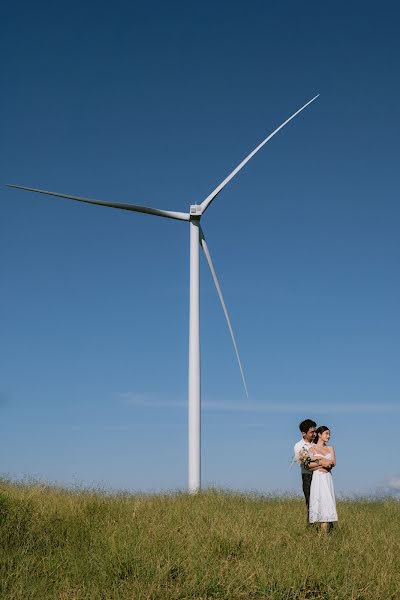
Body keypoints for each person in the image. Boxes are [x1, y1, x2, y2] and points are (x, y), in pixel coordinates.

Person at [294, 419, 331, 521]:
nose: (314, 434)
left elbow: (329, 460)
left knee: (325, 503)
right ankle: (312, 530)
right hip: (308, 477)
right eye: (311, 432)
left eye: (315, 431)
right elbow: (306, 465)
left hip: (321, 476)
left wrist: (323, 463)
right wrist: (322, 463)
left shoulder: (318, 444)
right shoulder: (299, 446)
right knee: (311, 505)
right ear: (303, 433)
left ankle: (327, 528)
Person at [308, 425, 338, 532]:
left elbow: (333, 463)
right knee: (319, 501)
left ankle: (326, 531)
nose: (328, 436)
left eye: (329, 434)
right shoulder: (312, 448)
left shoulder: (330, 448)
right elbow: (309, 465)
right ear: (320, 435)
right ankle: (321, 532)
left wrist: (323, 463)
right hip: (318, 478)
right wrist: (322, 462)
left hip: (327, 478)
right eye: (326, 433)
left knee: (327, 501)